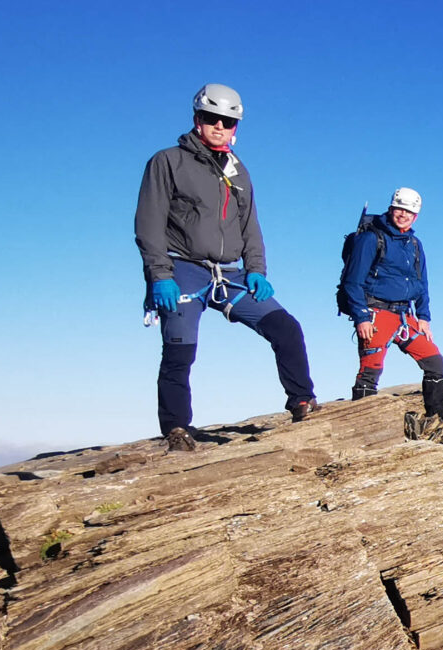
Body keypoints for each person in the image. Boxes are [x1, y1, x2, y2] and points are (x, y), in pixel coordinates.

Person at [134, 82, 317, 452]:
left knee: (286, 328)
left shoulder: (238, 171)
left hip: (230, 274)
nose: (220, 127)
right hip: (182, 267)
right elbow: (148, 224)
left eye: (229, 122)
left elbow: (249, 224)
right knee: (179, 348)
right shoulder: (167, 162)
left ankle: (302, 402)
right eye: (212, 118)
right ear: (197, 118)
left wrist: (257, 270)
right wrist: (160, 276)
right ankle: (176, 429)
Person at [339, 186, 443, 420]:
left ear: (416, 216)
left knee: (435, 363)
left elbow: (422, 284)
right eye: (399, 209)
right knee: (370, 372)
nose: (403, 215)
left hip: (404, 316)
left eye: (409, 212)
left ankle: (437, 419)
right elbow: (352, 281)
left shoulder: (415, 245)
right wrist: (361, 316)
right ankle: (363, 427)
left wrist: (424, 318)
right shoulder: (371, 238)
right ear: (391, 208)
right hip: (375, 314)